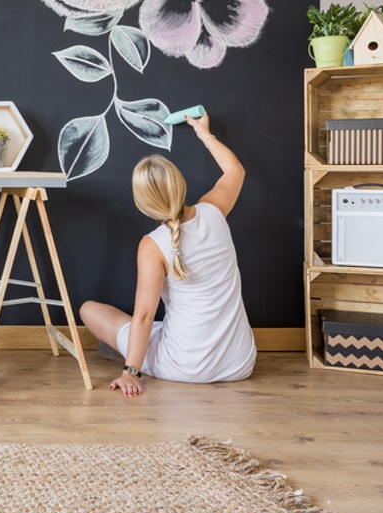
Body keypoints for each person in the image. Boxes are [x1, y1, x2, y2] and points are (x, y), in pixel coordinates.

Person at [79, 113, 256, 397]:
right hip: (239, 362)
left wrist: (130, 373)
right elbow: (235, 171)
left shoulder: (153, 244)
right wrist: (203, 133)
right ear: (180, 184)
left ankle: (129, 354)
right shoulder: (214, 213)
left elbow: (144, 317)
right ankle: (133, 349)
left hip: (184, 366)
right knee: (163, 325)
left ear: (143, 203)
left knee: (89, 309)